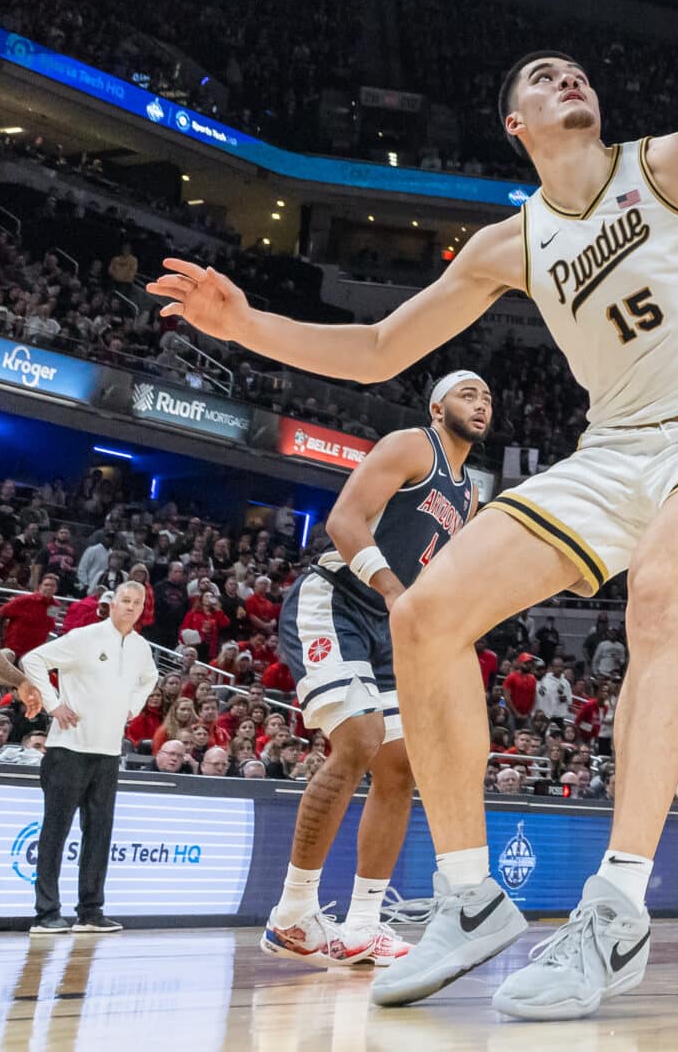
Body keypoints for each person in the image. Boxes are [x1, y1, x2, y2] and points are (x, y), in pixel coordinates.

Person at [147, 51, 678, 1022]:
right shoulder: (513, 241)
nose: (566, 79)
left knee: (660, 596)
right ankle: (469, 895)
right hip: (607, 451)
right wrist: (246, 325)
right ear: (515, 123)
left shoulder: (676, 160)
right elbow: (378, 349)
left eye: (575, 72)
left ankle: (616, 906)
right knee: (428, 615)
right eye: (542, 77)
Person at [261, 374, 490, 969]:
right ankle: (292, 914)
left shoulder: (467, 493)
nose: (482, 403)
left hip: (393, 627)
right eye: (469, 394)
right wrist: (393, 592)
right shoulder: (413, 444)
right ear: (438, 407)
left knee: (399, 768)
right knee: (359, 737)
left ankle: (363, 924)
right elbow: (343, 521)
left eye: (488, 398)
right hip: (339, 598)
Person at [21, 580, 158, 935]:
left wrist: (133, 707)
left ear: (143, 608)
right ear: (112, 604)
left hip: (108, 753)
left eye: (136, 602)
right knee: (55, 831)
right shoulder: (85, 637)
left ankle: (90, 911)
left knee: (99, 833)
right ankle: (46, 912)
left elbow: (150, 678)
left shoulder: (142, 648)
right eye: (124, 601)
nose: (130, 607)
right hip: (69, 749)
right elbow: (33, 659)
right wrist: (53, 705)